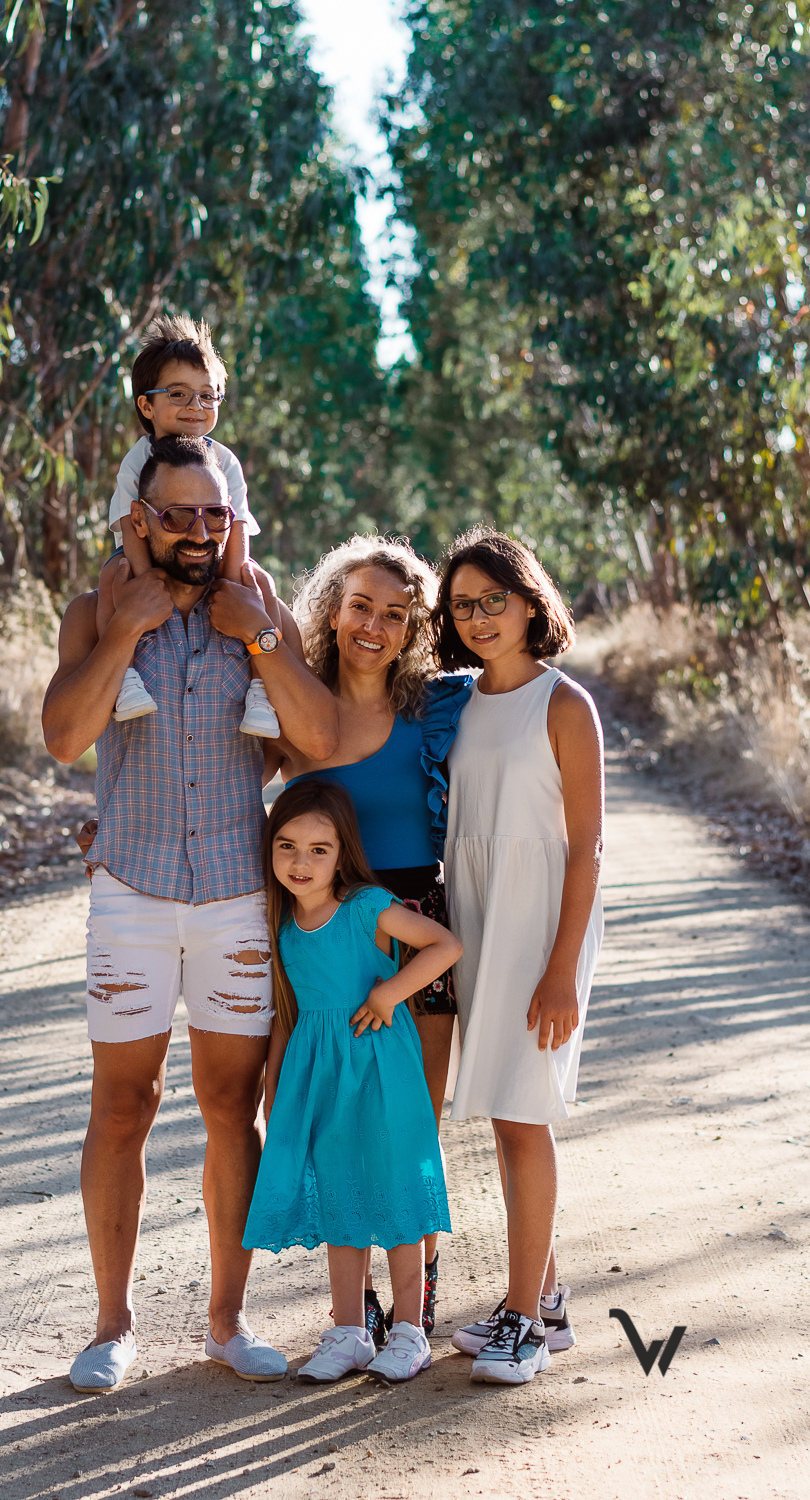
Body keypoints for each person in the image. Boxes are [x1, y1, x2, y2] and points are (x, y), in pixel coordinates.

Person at [42, 435, 339, 1394]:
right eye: (178, 514)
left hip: (235, 898)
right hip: (130, 892)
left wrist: (261, 636)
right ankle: (112, 1326)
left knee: (229, 1108)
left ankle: (227, 1321)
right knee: (122, 1106)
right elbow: (64, 738)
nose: (200, 531)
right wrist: (124, 629)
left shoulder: (259, 609)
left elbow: (317, 739)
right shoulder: (96, 610)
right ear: (142, 518)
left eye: (216, 514)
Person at [268, 536, 471, 1342]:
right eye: (360, 607)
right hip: (327, 926)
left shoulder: (436, 711)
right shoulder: (295, 704)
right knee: (342, 1125)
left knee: (413, 1124)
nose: (374, 626)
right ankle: (357, 1310)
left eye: (395, 614)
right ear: (332, 611)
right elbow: (215, 777)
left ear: (413, 628)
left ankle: (417, 1301)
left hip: (414, 920)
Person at [432, 527, 604, 1387]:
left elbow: (587, 847)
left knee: (524, 1112)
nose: (478, 617)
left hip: (540, 925)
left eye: (493, 599)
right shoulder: (455, 703)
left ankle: (525, 1322)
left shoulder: (564, 704)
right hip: (476, 913)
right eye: (463, 605)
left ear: (532, 602)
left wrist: (562, 966)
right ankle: (547, 1299)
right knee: (505, 1108)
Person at [243, 780, 461, 1384]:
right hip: (319, 1076)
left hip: (380, 1065)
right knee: (339, 1191)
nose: (301, 861)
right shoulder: (284, 922)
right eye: (287, 846)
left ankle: (410, 1331)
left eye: (319, 849)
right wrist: (274, 1088)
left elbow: (444, 944)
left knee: (397, 1187)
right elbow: (287, 1015)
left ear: (342, 854)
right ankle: (349, 1332)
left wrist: (391, 993)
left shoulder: (367, 906)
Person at [98, 312, 280, 736]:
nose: (195, 406)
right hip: (150, 558)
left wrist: (233, 584)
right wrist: (147, 587)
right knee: (112, 575)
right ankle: (124, 677)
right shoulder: (138, 460)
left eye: (207, 396)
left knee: (260, 583)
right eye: (178, 394)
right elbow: (129, 525)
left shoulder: (224, 461)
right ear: (147, 405)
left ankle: (260, 690)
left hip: (210, 560)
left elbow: (236, 529)